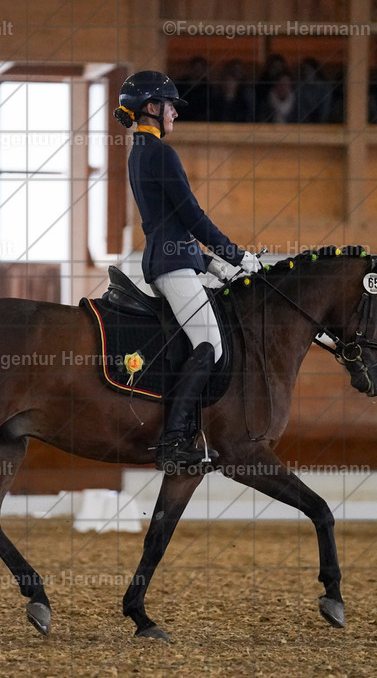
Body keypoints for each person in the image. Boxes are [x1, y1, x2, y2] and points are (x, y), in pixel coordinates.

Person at [113, 70, 261, 470]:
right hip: (172, 266)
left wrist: (213, 264)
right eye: (170, 106)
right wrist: (237, 256)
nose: (175, 113)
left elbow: (171, 225)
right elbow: (192, 216)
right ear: (151, 107)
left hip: (172, 260)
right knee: (209, 345)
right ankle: (174, 440)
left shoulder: (141, 150)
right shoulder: (160, 153)